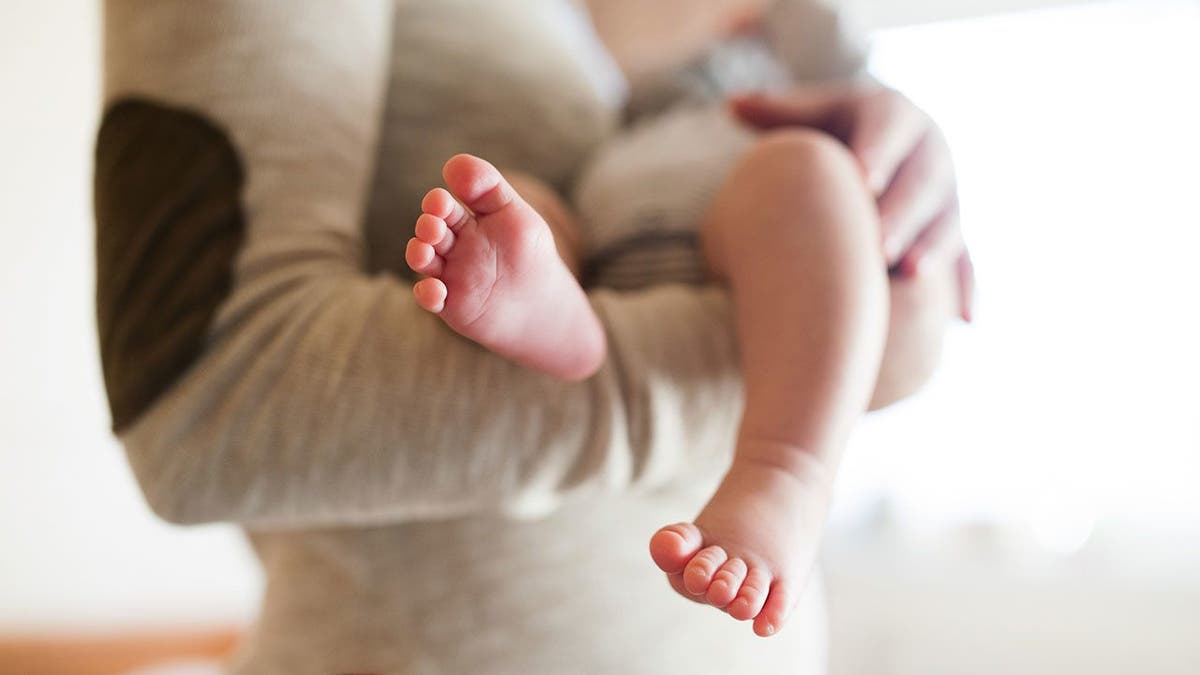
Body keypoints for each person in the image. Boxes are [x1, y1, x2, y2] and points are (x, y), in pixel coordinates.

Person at [94, 1, 969, 672]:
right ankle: (767, 457)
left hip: (680, 193)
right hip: (659, 207)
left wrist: (898, 151)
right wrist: (856, 335)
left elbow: (836, 69)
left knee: (611, 197)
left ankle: (565, 316)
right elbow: (204, 403)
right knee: (518, 206)